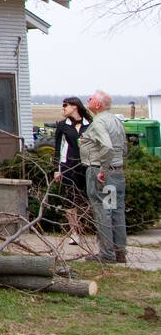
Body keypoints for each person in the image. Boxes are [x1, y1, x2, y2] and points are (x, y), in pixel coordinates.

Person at [79, 89, 128, 263]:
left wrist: (103, 170)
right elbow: (124, 147)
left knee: (103, 211)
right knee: (116, 210)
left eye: (91, 98)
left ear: (98, 104)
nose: (88, 99)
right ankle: (119, 252)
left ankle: (107, 255)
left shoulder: (99, 122)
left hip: (100, 172)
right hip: (117, 171)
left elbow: (106, 147)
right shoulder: (116, 120)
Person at [52, 97, 91, 245]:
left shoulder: (90, 124)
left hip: (87, 166)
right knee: (70, 199)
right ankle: (75, 232)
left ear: (74, 106)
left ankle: (91, 227)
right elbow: (58, 149)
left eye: (65, 106)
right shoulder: (62, 126)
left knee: (88, 197)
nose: (63, 109)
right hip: (69, 166)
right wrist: (57, 169)